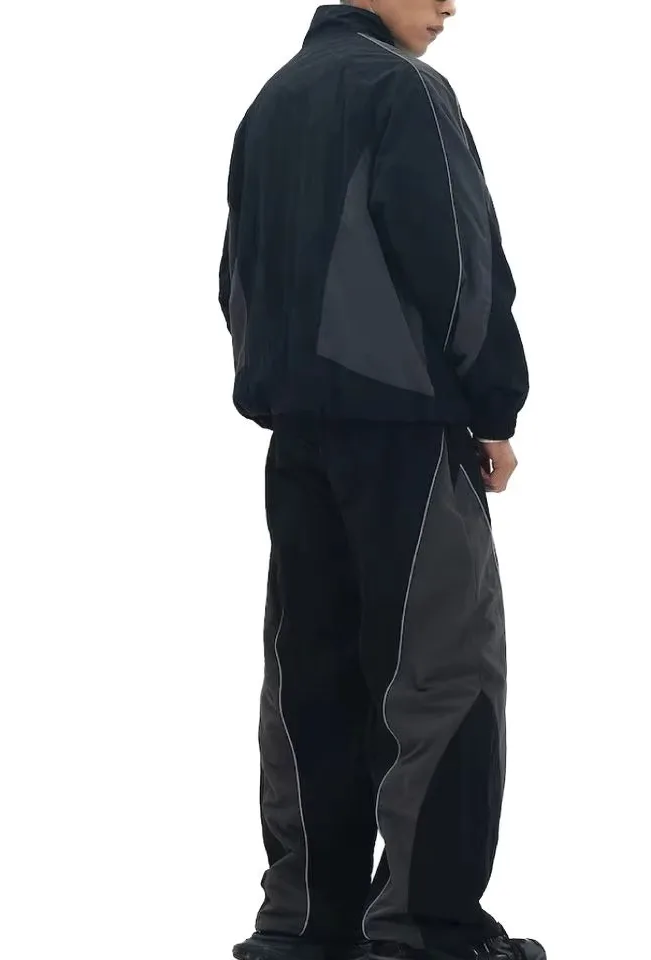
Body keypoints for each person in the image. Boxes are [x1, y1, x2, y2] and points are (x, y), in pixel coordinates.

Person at [218, 3, 542, 960]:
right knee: (440, 674)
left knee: (309, 680)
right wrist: (493, 407)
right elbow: (459, 266)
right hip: (404, 434)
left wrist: (282, 387)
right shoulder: (404, 91)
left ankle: (301, 928)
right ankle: (428, 932)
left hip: (298, 439)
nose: (449, 5)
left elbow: (234, 274)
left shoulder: (271, 101)